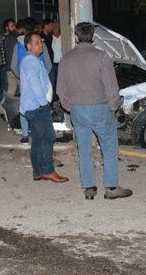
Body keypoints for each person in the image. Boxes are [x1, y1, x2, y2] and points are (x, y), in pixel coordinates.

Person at [57, 22, 133, 200]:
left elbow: (61, 90)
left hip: (77, 110)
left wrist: (70, 107)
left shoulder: (66, 59)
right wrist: (113, 107)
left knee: (84, 149)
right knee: (109, 147)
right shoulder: (101, 56)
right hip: (100, 108)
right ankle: (111, 187)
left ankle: (89, 188)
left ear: (76, 37)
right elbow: (111, 88)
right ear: (92, 37)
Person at [19, 32, 68, 183]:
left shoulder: (33, 60)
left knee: (39, 139)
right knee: (47, 137)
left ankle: (38, 172)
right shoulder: (30, 61)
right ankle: (47, 171)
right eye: (37, 42)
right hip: (37, 107)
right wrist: (43, 103)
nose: (41, 45)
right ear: (29, 46)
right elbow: (35, 84)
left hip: (34, 106)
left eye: (41, 42)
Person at [0, 19, 15, 112]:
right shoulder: (1, 38)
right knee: (5, 87)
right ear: (6, 28)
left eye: (14, 25)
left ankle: (5, 108)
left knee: (11, 88)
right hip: (4, 67)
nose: (13, 27)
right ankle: (2, 108)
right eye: (11, 26)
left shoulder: (15, 37)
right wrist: (3, 63)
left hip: (13, 66)